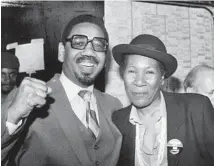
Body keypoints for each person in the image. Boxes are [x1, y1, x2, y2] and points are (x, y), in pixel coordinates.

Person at [1, 14, 122, 166]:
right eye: (79, 42)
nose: (90, 52)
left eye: (99, 45)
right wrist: (12, 116)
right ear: (62, 51)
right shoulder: (26, 100)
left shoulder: (114, 106)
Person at [111, 34, 214, 166]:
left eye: (149, 72)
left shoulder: (196, 109)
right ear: (123, 74)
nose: (139, 81)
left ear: (162, 78)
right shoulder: (117, 121)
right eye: (132, 71)